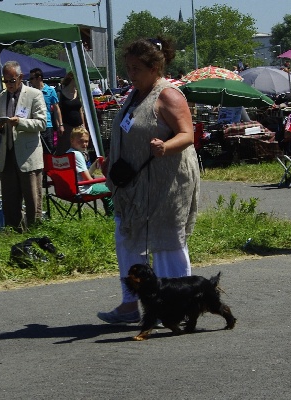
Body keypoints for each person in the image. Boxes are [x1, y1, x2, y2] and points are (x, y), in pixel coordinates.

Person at [97, 36, 200, 324]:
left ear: (155, 67)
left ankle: (178, 305)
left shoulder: (168, 95)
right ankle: (131, 303)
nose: (131, 74)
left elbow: (187, 134)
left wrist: (166, 146)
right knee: (128, 238)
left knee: (167, 241)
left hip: (166, 183)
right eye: (128, 68)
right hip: (133, 185)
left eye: (136, 68)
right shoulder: (134, 94)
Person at [0, 60, 47, 231]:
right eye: (5, 81)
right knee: (9, 201)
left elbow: (42, 123)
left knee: (32, 200)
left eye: (12, 80)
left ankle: (35, 234)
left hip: (28, 156)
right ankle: (14, 233)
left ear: (21, 77)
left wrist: (20, 123)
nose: (8, 84)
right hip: (7, 156)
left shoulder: (34, 94)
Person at [66, 126, 114, 216]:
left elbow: (83, 176)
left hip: (71, 190)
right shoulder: (77, 155)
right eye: (80, 141)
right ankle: (111, 217)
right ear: (72, 140)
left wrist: (93, 167)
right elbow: (89, 181)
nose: (84, 144)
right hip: (83, 191)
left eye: (86, 141)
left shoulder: (68, 153)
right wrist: (104, 180)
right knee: (111, 189)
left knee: (104, 189)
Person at [29, 68, 64, 154]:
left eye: (31, 78)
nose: (30, 81)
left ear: (39, 78)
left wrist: (60, 124)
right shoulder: (30, 92)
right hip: (35, 125)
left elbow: (56, 109)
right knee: (36, 151)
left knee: (49, 150)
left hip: (47, 125)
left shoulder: (50, 91)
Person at [56, 71, 85, 155]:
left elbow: (80, 111)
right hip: (66, 127)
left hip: (78, 126)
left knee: (80, 149)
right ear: (72, 79)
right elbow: (57, 111)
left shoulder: (78, 93)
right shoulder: (60, 93)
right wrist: (59, 125)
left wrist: (83, 125)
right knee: (64, 151)